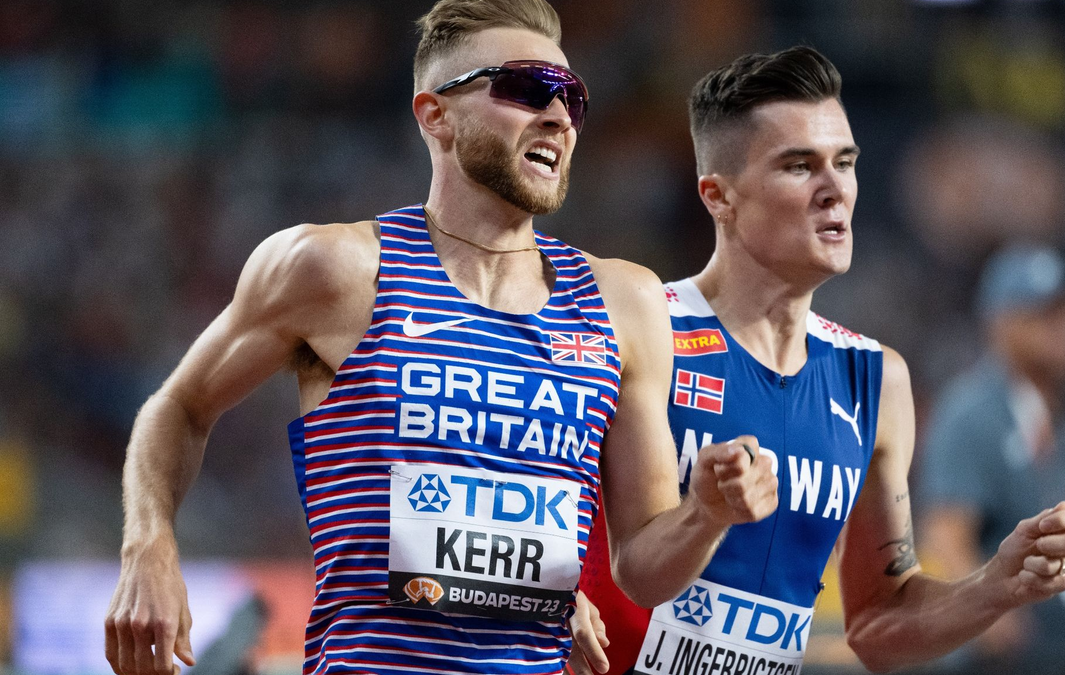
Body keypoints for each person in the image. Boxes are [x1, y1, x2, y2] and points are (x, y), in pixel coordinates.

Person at [102, 2, 779, 674]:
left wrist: (706, 514)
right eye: (525, 89)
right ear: (436, 115)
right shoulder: (336, 270)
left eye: (572, 97)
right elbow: (178, 407)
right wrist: (149, 548)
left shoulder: (623, 301)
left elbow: (643, 568)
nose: (558, 115)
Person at [569, 46, 1065, 675]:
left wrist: (995, 587)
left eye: (844, 162)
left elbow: (876, 624)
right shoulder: (642, 326)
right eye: (798, 165)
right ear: (719, 196)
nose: (834, 188)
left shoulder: (874, 379)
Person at [918, 244, 1065, 674]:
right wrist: (988, 614)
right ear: (1001, 324)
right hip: (1000, 663)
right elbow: (946, 533)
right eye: (1047, 314)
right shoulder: (971, 414)